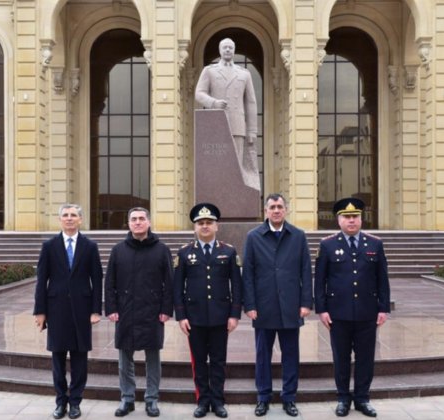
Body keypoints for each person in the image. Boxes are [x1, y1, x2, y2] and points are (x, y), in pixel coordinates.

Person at [314, 198, 391, 418]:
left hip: (368, 312)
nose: (351, 221)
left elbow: (382, 279)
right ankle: (342, 398)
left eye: (355, 217)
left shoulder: (374, 244)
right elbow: (320, 280)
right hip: (338, 314)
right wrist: (322, 309)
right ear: (338, 220)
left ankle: (362, 399)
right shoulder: (327, 245)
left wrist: (383, 308)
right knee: (341, 358)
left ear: (361, 219)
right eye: (346, 217)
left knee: (366, 357)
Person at [242, 193, 313, 417]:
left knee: (290, 354)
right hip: (263, 307)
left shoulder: (298, 236)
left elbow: (305, 271)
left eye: (280, 206)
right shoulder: (254, 237)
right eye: (272, 207)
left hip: (291, 306)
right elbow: (248, 274)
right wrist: (250, 304)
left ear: (286, 210)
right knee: (263, 355)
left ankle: (289, 397)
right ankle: (263, 397)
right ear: (265, 211)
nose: (276, 210)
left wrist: (305, 303)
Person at [33, 204, 103, 420]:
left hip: (82, 310)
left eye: (74, 215)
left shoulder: (90, 246)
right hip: (56, 310)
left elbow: (97, 279)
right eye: (65, 215)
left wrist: (95, 311)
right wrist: (40, 311)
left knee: (80, 359)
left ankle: (75, 402)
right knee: (58, 359)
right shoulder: (49, 246)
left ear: (80, 220)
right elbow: (41, 280)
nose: (69, 219)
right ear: (60, 220)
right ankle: (60, 402)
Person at [173, 203, 242, 418]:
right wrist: (181, 316)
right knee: (200, 361)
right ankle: (202, 401)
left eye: (209, 223)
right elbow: (177, 288)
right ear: (195, 227)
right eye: (200, 223)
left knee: (219, 361)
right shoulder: (185, 253)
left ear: (216, 226)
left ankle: (218, 401)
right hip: (194, 318)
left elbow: (237, 286)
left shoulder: (228, 251)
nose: (205, 226)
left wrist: (234, 314)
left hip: (221, 318)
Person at [104, 207, 173, 418]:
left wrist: (166, 310)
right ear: (128, 223)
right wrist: (111, 308)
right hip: (125, 312)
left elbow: (169, 283)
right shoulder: (118, 250)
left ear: (149, 222)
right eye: (133, 219)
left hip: (152, 312)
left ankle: (152, 400)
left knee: (153, 358)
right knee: (125, 359)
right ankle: (127, 399)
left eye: (142, 219)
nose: (137, 222)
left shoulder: (161, 250)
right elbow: (110, 283)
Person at [195, 37, 260, 191]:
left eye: (230, 47)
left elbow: (251, 103)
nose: (228, 50)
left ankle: (234, 191)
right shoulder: (209, 71)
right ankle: (216, 190)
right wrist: (213, 102)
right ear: (220, 50)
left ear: (234, 50)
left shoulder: (244, 74)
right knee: (215, 164)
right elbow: (199, 93)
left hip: (237, 124)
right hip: (216, 124)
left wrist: (252, 131)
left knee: (236, 165)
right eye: (225, 47)